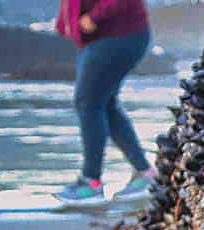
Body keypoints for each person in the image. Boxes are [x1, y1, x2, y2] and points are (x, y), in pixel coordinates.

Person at [54, 0, 156, 207]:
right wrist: (64, 24)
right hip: (105, 38)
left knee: (88, 102)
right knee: (104, 104)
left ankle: (91, 182)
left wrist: (94, 17)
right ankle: (146, 174)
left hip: (118, 36)